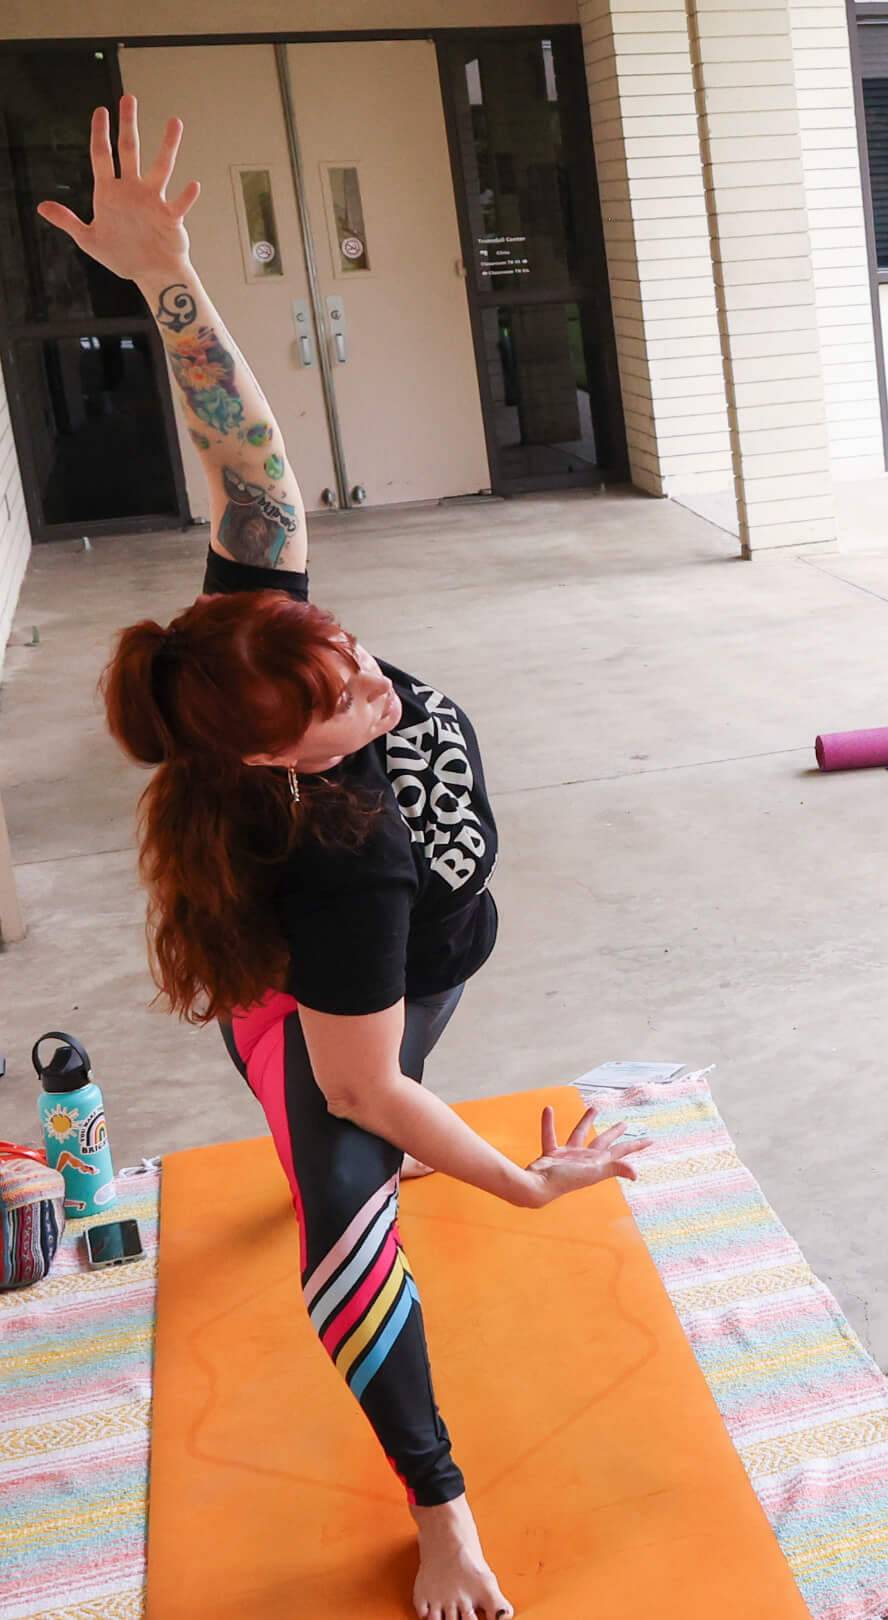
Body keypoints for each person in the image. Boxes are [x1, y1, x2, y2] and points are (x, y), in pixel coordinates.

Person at [47, 97, 644, 1620]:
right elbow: (372, 1079)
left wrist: (165, 279)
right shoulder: (342, 868)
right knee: (341, 1228)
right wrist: (516, 1185)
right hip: (349, 1007)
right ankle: (443, 1513)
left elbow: (258, 481)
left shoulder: (246, 648)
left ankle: (290, 1094)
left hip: (413, 970)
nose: (375, 683)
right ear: (270, 757)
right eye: (345, 702)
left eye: (354, 652)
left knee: (341, 1092)